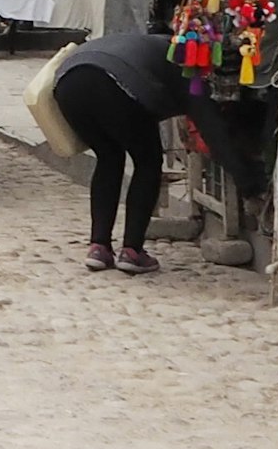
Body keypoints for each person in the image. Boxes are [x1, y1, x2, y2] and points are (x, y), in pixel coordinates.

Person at [51, 17, 190, 272]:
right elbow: (201, 111)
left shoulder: (139, 44)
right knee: (147, 161)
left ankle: (99, 246)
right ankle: (132, 251)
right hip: (114, 83)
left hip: (67, 83)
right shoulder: (174, 59)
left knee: (108, 156)